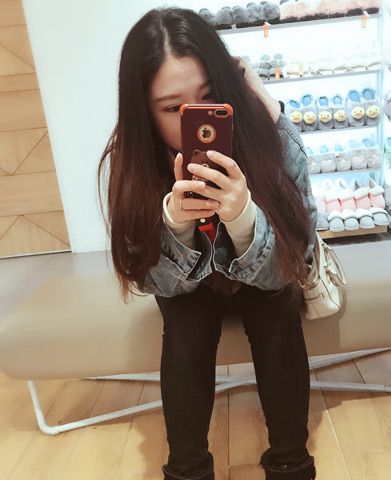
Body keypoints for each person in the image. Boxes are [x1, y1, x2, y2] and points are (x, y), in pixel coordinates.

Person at [98, 7, 318, 480]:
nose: (195, 120)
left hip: (266, 286)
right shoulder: (133, 162)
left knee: (277, 307)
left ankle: (291, 464)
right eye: (172, 108)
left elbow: (295, 262)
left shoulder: (270, 138)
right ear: (143, 110)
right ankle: (188, 470)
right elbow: (150, 281)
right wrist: (175, 226)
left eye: (209, 97)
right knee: (185, 321)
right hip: (190, 292)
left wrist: (243, 218)